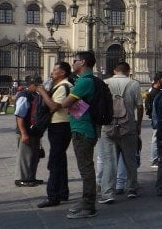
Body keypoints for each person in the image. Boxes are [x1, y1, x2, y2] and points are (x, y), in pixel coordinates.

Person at [36, 50, 100, 219]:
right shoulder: (80, 81)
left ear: (83, 63)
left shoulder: (83, 82)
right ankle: (84, 200)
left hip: (83, 129)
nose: (73, 63)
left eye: (75, 60)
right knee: (80, 166)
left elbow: (62, 104)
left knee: (85, 169)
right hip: (80, 127)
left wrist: (43, 92)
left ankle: (88, 206)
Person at [96, 61, 144, 203]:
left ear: (115, 71)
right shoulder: (134, 84)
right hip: (128, 126)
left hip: (108, 126)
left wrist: (99, 126)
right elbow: (140, 107)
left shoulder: (105, 83)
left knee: (108, 161)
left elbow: (99, 105)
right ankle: (132, 189)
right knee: (130, 160)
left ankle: (107, 193)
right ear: (128, 71)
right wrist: (138, 124)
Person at [37, 62, 73, 208]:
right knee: (60, 159)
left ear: (63, 73)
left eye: (55, 70)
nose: (52, 72)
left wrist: (42, 92)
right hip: (60, 125)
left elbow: (55, 106)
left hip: (60, 125)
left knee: (54, 161)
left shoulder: (64, 86)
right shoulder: (62, 85)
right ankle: (63, 192)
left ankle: (53, 195)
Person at [13, 75, 45, 187]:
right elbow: (20, 116)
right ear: (31, 85)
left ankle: (31, 177)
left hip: (34, 131)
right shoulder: (24, 96)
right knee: (25, 156)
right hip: (26, 131)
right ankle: (21, 178)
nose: (39, 87)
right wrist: (23, 133)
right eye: (37, 85)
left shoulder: (35, 95)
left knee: (34, 156)